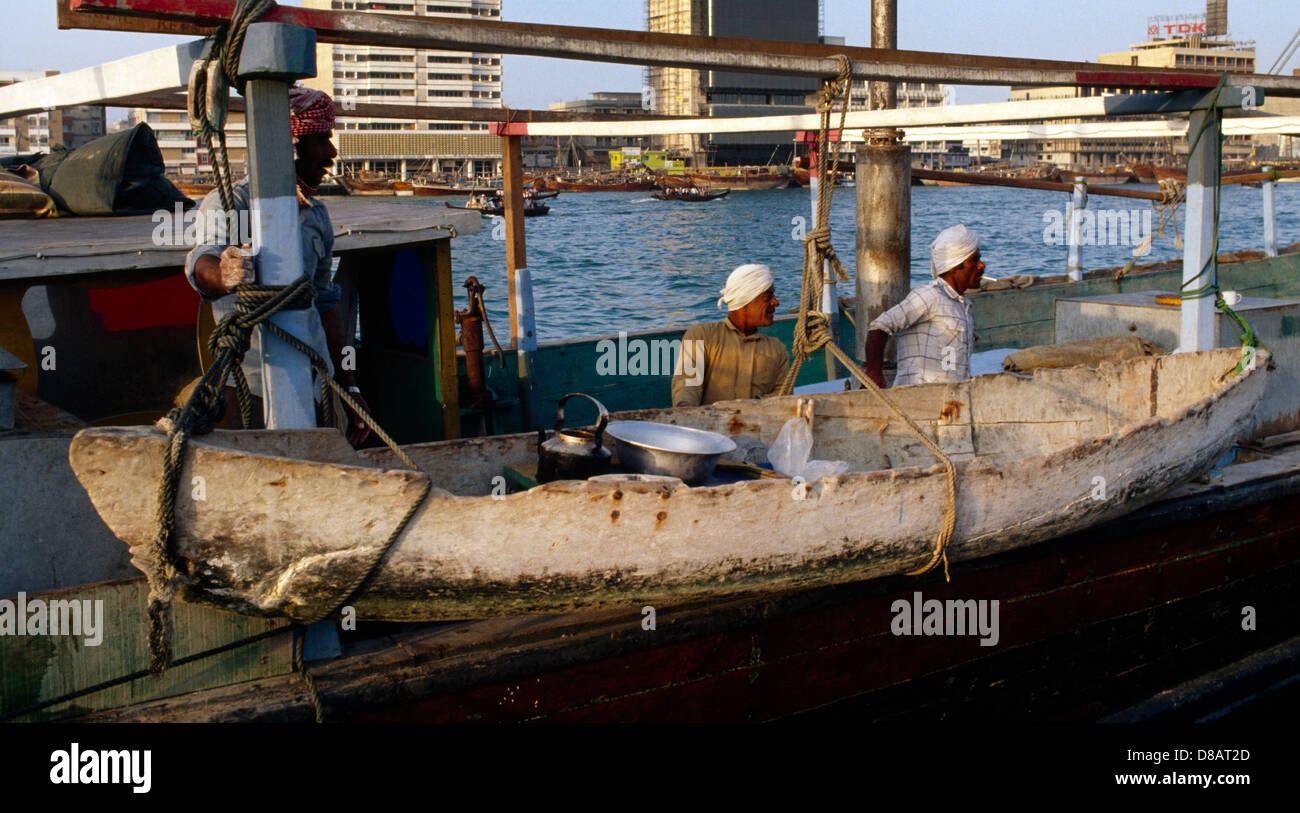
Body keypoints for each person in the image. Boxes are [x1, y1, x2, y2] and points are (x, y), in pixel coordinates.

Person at [185, 85, 370, 446]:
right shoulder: (231, 204)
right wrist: (225, 274)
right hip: (251, 387)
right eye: (322, 139)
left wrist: (350, 388)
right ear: (290, 145)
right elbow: (200, 266)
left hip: (319, 383)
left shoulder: (317, 216)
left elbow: (324, 306)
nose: (331, 153)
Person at [863, 224, 986, 389]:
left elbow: (949, 362)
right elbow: (880, 326)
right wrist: (874, 372)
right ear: (956, 266)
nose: (982, 266)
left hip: (950, 399)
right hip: (919, 397)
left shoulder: (962, 307)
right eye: (975, 260)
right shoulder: (929, 296)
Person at [671, 263, 791, 407]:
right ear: (746, 299)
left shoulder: (777, 350)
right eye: (768, 296)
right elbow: (687, 382)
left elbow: (784, 396)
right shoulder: (701, 335)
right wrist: (686, 408)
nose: (776, 302)